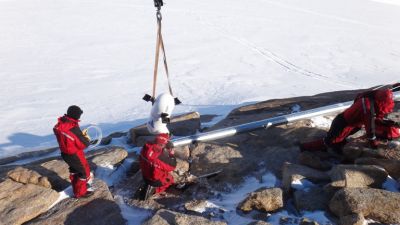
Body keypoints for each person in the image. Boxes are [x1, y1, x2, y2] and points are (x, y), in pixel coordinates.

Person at [300, 88, 400, 154]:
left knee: (339, 140)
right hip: (344, 124)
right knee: (329, 141)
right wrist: (374, 145)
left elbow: (372, 120)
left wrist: (391, 124)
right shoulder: (368, 108)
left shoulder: (370, 98)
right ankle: (304, 147)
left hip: (350, 123)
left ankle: (336, 146)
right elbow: (370, 128)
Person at [53, 105, 93, 198]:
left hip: (65, 153)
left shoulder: (61, 124)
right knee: (83, 172)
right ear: (76, 115)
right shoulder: (72, 127)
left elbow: (68, 137)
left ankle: (78, 187)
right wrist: (85, 138)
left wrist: (78, 136)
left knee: (75, 170)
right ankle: (80, 193)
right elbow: (84, 144)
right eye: (79, 114)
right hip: (74, 153)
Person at [139, 133, 177, 199]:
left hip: (145, 176)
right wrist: (171, 154)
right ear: (163, 143)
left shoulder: (146, 147)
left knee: (156, 168)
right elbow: (172, 166)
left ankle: (150, 185)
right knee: (170, 179)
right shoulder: (159, 157)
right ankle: (154, 190)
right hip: (155, 181)